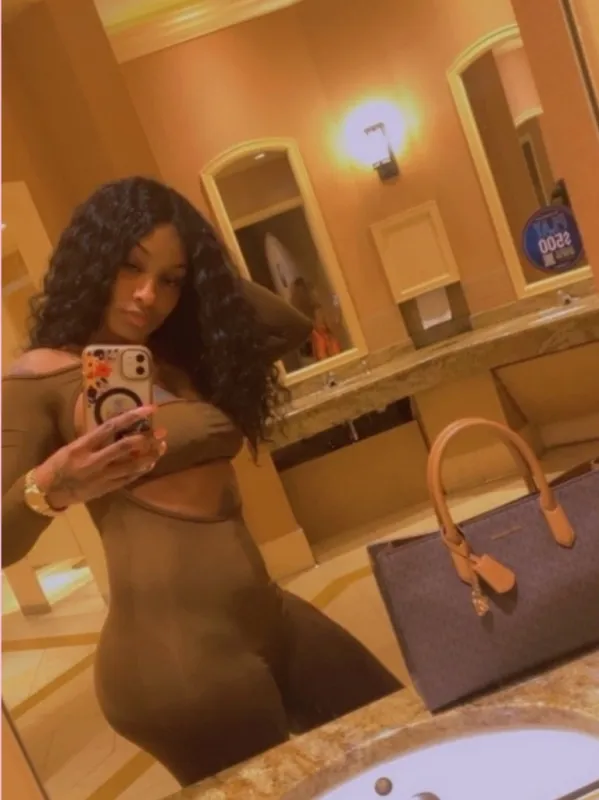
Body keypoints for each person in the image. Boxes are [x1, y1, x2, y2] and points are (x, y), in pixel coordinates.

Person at [2, 177, 400, 787]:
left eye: (170, 279)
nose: (147, 295)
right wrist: (51, 485)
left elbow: (288, 325)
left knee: (397, 730)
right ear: (91, 259)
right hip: (177, 660)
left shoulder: (174, 358)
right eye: (130, 266)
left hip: (267, 615)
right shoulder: (40, 377)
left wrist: (204, 274)